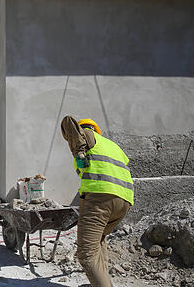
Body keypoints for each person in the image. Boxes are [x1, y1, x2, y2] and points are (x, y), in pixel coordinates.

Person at [61, 116, 133, 287]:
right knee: (99, 241)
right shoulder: (113, 146)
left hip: (100, 198)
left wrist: (77, 146)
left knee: (86, 253)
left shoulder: (85, 135)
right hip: (125, 201)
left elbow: (68, 123)